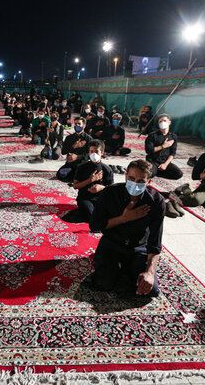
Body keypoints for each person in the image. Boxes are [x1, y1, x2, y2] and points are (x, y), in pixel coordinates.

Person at [85, 160, 164, 297]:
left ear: (148, 182)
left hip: (139, 248)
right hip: (112, 244)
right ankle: (117, 268)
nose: (135, 183)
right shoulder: (110, 193)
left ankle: (127, 268)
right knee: (103, 284)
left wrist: (150, 272)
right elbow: (95, 225)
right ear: (126, 176)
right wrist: (124, 218)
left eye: (140, 181)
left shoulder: (157, 201)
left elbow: (155, 241)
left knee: (151, 290)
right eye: (132, 178)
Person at [72, 140, 114, 222]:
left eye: (96, 151)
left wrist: (101, 187)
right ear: (89, 152)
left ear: (102, 153)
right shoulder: (82, 167)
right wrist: (89, 180)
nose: (94, 154)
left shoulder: (107, 169)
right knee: (91, 215)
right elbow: (75, 186)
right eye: (91, 151)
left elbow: (112, 188)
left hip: (101, 199)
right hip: (85, 198)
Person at [144, 114, 183, 179]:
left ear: (169, 122)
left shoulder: (173, 136)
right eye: (160, 121)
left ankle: (158, 172)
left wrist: (165, 164)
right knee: (149, 175)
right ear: (158, 123)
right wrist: (163, 146)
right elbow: (149, 150)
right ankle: (155, 171)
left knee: (179, 174)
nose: (163, 123)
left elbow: (173, 153)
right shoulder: (152, 135)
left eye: (165, 121)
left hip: (165, 161)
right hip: (153, 161)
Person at [56, 117, 92, 182]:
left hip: (82, 163)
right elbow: (63, 152)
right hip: (71, 163)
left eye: (79, 124)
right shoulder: (69, 138)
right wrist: (74, 146)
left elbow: (90, 155)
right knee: (60, 174)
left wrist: (77, 157)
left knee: (81, 175)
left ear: (84, 126)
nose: (77, 125)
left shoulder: (89, 139)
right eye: (75, 124)